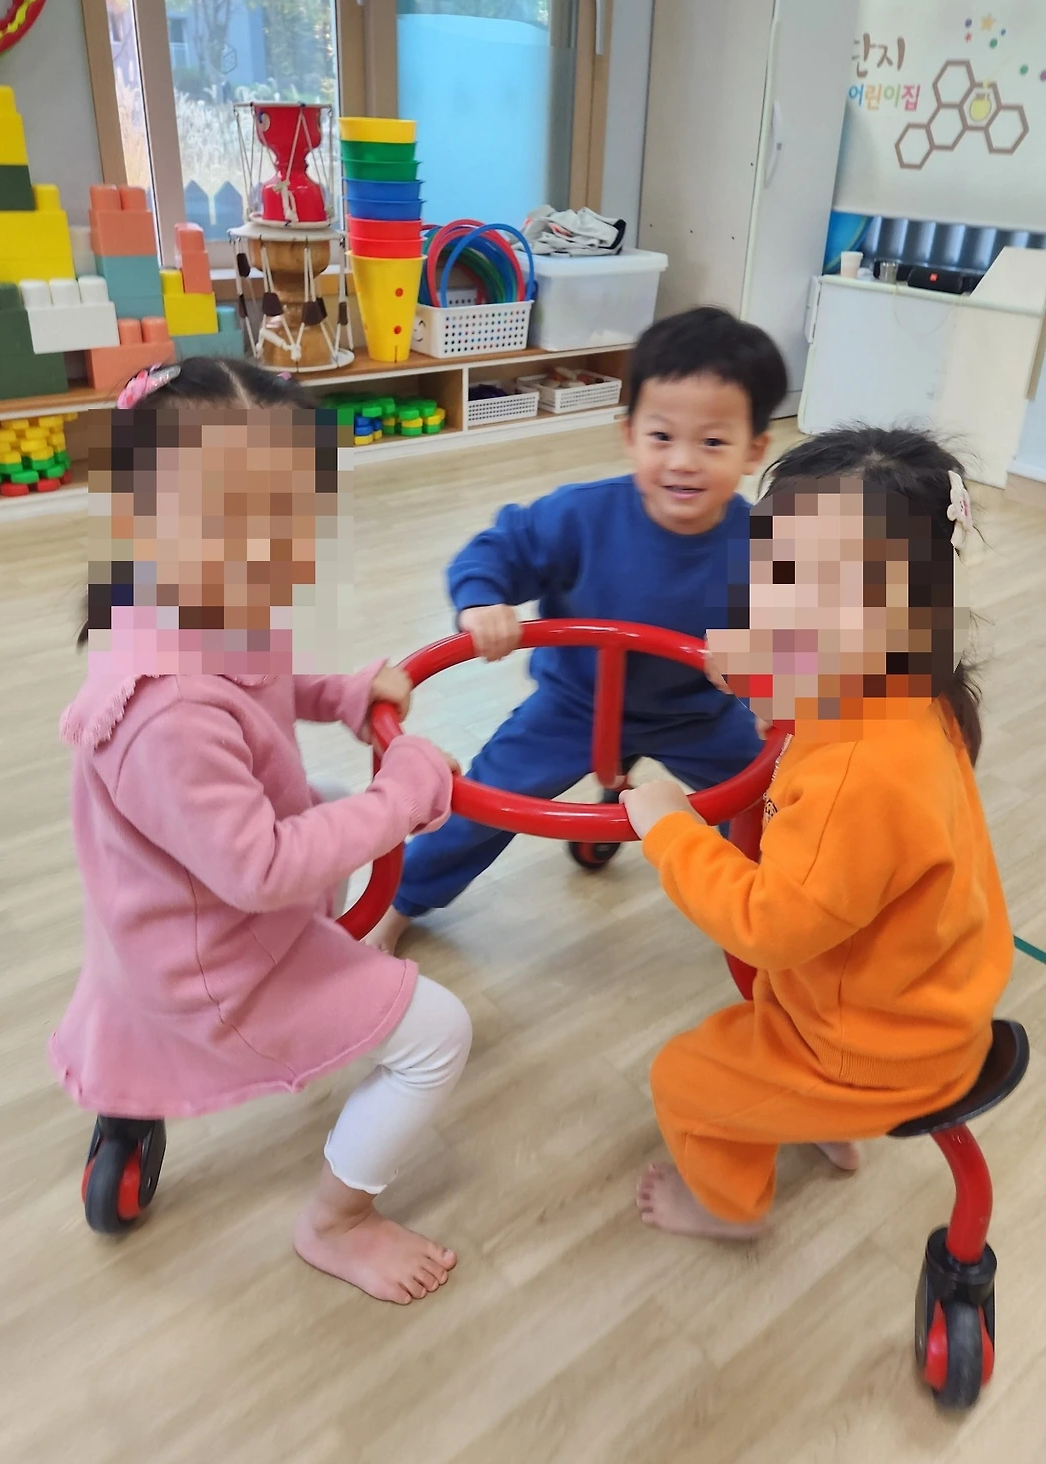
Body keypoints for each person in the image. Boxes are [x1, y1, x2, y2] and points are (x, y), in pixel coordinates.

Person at [53, 357, 471, 1304]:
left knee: (327, 798)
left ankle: (150, 1084)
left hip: (166, 912)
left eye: (288, 518)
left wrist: (344, 693)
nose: (269, 551)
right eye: (231, 520)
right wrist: (403, 793)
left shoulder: (186, 600)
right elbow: (261, 869)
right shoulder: (166, 711)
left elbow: (266, 683)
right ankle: (337, 1223)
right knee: (441, 1034)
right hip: (217, 962)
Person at [619, 425, 1013, 1239]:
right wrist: (758, 668)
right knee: (756, 1015)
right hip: (919, 1004)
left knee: (684, 1078)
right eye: (767, 571)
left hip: (870, 1051)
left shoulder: (857, 779)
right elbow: (817, 695)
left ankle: (729, 1209)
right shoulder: (914, 686)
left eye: (793, 591)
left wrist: (670, 829)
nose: (761, 603)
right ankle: (818, 1118)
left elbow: (766, 925)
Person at [370, 307, 786, 954]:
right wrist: (482, 602)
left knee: (771, 802)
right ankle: (402, 900)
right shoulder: (580, 515)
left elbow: (801, 631)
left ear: (754, 449)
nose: (683, 462)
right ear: (629, 435)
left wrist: (764, 661)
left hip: (697, 713)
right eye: (661, 436)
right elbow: (496, 550)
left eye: (712, 443)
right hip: (575, 703)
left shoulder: (764, 543)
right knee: (484, 797)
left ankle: (770, 911)